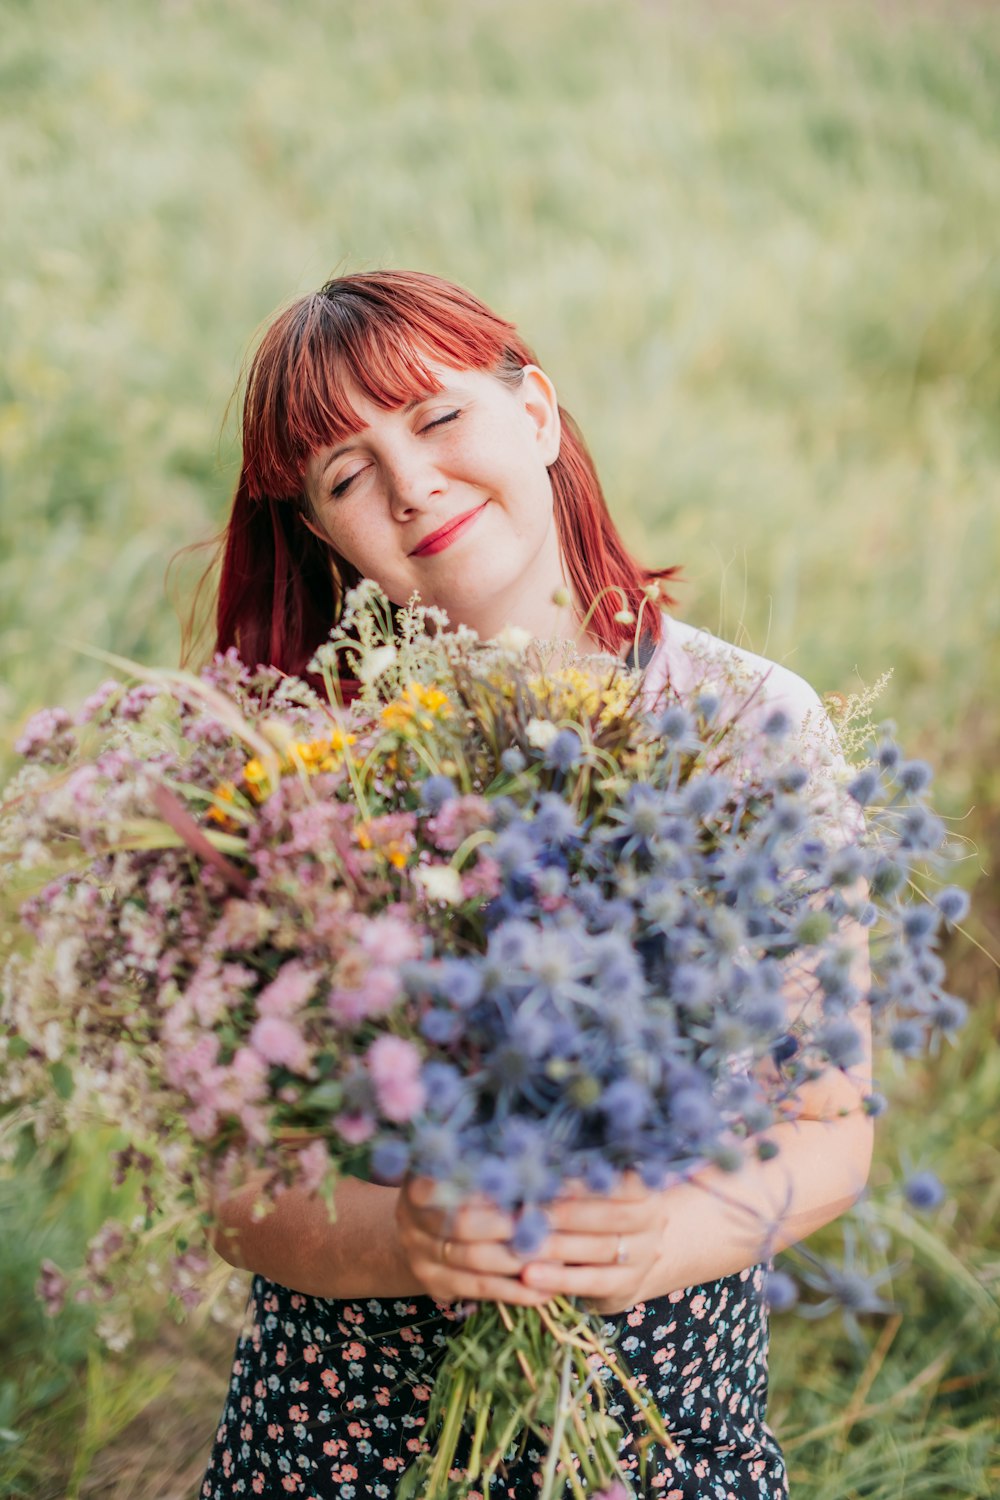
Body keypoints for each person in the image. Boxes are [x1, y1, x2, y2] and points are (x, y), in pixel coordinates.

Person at [200, 269, 873, 1499]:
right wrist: (412, 1238)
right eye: (347, 476)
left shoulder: (744, 724)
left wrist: (660, 1237)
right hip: (341, 1443)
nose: (412, 485)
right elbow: (237, 1195)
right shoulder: (298, 774)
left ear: (539, 413)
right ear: (322, 535)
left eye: (437, 417)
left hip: (661, 1432)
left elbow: (830, 1130)